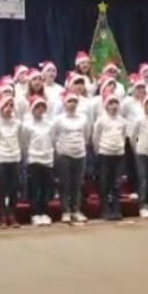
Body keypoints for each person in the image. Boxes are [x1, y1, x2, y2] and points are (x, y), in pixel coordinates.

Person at [52, 91, 90, 224]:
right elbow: (54, 137)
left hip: (80, 154)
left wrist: (81, 147)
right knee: (65, 184)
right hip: (64, 154)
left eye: (74, 101)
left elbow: (86, 135)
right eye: (69, 101)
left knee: (77, 184)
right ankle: (65, 211)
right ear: (64, 104)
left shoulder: (83, 118)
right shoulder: (58, 120)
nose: (72, 104)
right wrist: (60, 150)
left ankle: (76, 210)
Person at [92, 92, 128, 221]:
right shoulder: (101, 120)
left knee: (116, 183)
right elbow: (96, 138)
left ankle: (116, 209)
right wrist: (99, 150)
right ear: (106, 106)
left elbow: (123, 136)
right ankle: (105, 209)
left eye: (116, 103)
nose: (114, 106)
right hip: (105, 154)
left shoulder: (123, 121)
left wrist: (120, 148)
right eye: (111, 103)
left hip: (118, 154)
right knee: (105, 182)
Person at [0, 95, 23, 228]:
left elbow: (21, 140)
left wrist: (17, 152)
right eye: (5, 106)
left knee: (13, 188)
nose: (8, 108)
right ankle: (2, 215)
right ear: (0, 108)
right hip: (2, 158)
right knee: (2, 189)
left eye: (11, 105)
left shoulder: (17, 124)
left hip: (15, 158)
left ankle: (12, 214)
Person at [22, 96, 55, 226]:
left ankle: (44, 212)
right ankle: (35, 213)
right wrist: (29, 155)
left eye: (42, 107)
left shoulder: (49, 124)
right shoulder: (27, 125)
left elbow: (52, 140)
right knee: (35, 188)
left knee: (45, 188)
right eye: (37, 107)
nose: (40, 109)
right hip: (34, 159)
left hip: (47, 159)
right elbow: (25, 142)